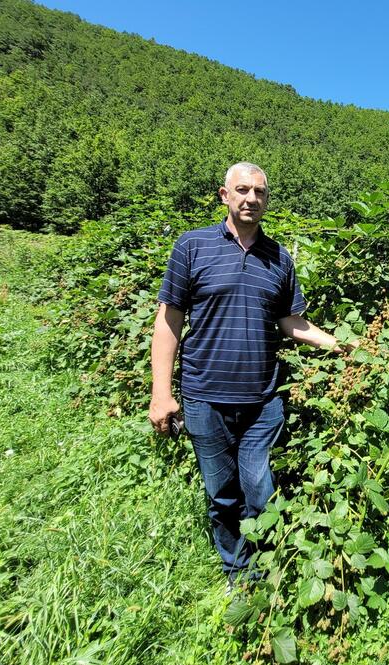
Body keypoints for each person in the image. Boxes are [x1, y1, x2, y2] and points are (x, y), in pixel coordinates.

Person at [148, 162, 352, 586]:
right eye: (242, 190)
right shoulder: (193, 246)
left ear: (266, 200)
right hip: (205, 398)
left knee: (259, 491)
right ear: (224, 195)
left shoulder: (279, 258)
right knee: (223, 495)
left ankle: (266, 567)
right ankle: (238, 573)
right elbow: (168, 321)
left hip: (263, 399)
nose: (251, 199)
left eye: (259, 192)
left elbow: (290, 322)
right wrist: (161, 393)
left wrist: (340, 344)